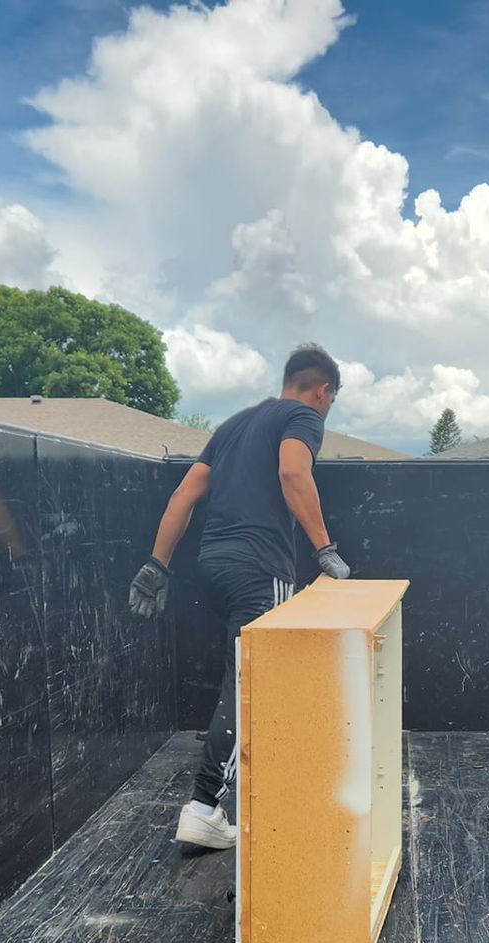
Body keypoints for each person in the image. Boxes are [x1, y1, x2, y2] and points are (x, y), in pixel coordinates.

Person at [127, 343, 353, 849]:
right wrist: (324, 547)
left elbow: (184, 494)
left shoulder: (234, 425)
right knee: (252, 687)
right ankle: (205, 808)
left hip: (214, 566)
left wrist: (156, 565)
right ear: (323, 391)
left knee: (247, 681)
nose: (326, 409)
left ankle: (259, 783)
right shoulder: (302, 416)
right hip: (259, 570)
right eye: (331, 402)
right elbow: (293, 472)